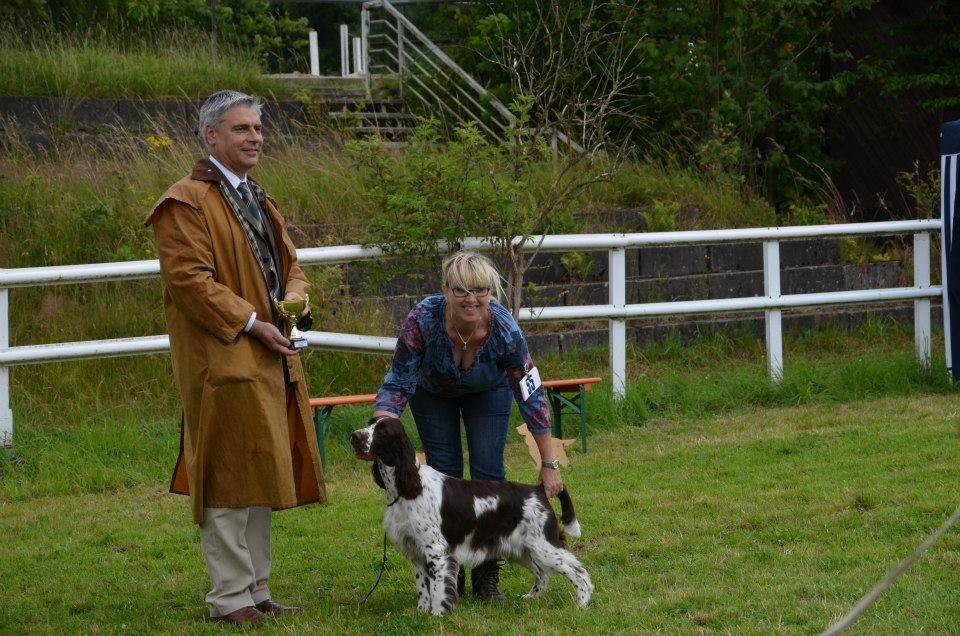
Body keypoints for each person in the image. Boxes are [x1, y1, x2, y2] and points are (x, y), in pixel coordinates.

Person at [146, 90, 325, 627]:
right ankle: (230, 598)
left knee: (261, 472)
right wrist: (254, 322)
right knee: (226, 477)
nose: (255, 138)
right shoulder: (183, 202)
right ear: (211, 137)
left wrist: (295, 302)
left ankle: (257, 591)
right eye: (242, 129)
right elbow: (190, 282)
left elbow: (290, 265)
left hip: (270, 357)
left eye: (257, 129)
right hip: (222, 361)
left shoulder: (258, 196)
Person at [372, 250, 563, 602]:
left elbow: (531, 396)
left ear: (491, 293)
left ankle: (487, 580)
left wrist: (549, 464)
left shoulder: (505, 330)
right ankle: (447, 579)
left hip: (488, 393)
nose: (471, 299)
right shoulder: (421, 321)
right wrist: (379, 430)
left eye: (480, 290)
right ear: (445, 290)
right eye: (460, 290)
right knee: (442, 475)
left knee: (489, 472)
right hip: (432, 394)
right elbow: (398, 382)